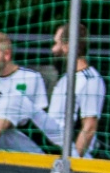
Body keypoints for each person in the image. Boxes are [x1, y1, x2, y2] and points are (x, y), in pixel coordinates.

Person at [43, 22, 105, 157]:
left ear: (67, 46)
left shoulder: (90, 79)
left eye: (56, 43)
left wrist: (72, 160)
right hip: (55, 152)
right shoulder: (66, 77)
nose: (53, 49)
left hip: (71, 156)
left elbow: (89, 127)